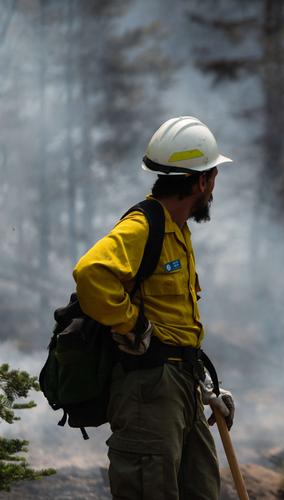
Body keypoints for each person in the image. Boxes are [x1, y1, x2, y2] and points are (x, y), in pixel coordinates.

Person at [73, 116, 236, 500]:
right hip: (148, 389)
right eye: (213, 177)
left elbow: (172, 320)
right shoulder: (142, 227)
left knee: (201, 490)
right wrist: (132, 325)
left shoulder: (176, 229)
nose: (213, 187)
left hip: (181, 385)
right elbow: (90, 273)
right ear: (201, 182)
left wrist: (205, 386)